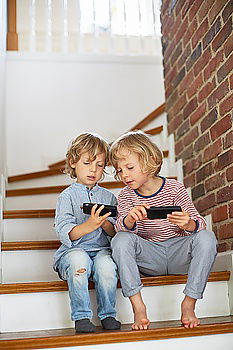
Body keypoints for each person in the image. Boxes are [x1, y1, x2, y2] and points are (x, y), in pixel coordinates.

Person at [109, 130, 217, 331]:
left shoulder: (175, 188)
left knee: (207, 237)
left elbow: (199, 223)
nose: (124, 175)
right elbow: (118, 228)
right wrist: (130, 219)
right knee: (120, 239)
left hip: (178, 253)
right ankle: (138, 307)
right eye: (119, 170)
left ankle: (189, 303)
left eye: (129, 167)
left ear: (150, 161)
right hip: (150, 256)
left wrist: (188, 224)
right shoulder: (125, 196)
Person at [53, 132, 121, 333]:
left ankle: (108, 314)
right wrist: (89, 225)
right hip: (73, 251)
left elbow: (115, 231)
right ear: (73, 162)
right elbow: (65, 231)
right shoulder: (66, 197)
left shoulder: (108, 197)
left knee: (107, 268)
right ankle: (81, 317)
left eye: (99, 165)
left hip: (101, 250)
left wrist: (103, 224)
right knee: (79, 262)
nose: (94, 169)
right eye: (87, 162)